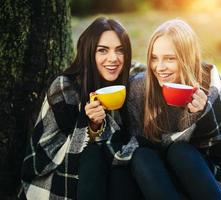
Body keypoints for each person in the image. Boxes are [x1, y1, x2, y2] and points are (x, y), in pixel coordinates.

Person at [19, 16, 141, 200]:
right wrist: (90, 126)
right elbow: (41, 158)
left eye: (120, 50)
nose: (113, 58)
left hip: (111, 168)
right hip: (63, 176)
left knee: (123, 169)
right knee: (94, 155)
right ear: (88, 53)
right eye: (103, 50)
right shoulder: (65, 88)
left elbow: (151, 71)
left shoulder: (127, 82)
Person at [124, 19, 221, 200]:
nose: (159, 68)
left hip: (199, 171)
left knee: (180, 151)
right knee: (142, 156)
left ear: (187, 59)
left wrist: (199, 115)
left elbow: (218, 151)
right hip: (156, 175)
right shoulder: (139, 88)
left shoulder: (207, 86)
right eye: (154, 58)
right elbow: (134, 142)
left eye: (170, 58)